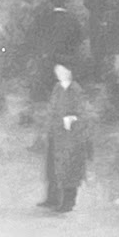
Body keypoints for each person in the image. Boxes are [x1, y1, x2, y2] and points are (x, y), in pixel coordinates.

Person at [40, 61, 89, 213]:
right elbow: (52, 109)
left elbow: (82, 113)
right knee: (53, 167)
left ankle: (68, 202)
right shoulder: (57, 88)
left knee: (69, 169)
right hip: (56, 134)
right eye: (57, 72)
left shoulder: (75, 90)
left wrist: (72, 119)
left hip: (71, 138)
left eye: (62, 71)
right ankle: (52, 198)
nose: (59, 74)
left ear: (69, 72)